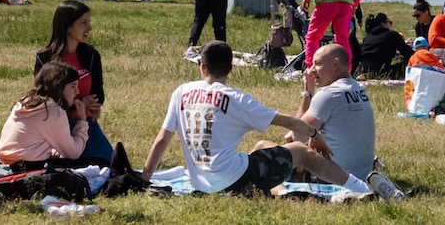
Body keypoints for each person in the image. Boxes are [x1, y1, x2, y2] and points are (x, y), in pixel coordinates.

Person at [141, 41, 384, 198]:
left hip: (202, 182)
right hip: (232, 179)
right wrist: (314, 134)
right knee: (289, 152)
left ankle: (282, 192)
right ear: (231, 68)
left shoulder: (181, 92)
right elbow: (293, 127)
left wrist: (145, 179)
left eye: (317, 64)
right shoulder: (237, 99)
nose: (312, 69)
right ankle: (362, 189)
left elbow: (162, 138)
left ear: (202, 67)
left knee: (266, 152)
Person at [33, 0, 113, 163]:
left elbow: (98, 95)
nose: (89, 28)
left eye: (89, 22)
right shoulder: (45, 58)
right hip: (54, 126)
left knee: (110, 164)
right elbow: (43, 100)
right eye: (83, 23)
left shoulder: (91, 55)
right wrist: (80, 103)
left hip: (84, 123)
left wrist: (90, 106)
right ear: (67, 26)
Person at [285, 44, 375, 180]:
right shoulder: (359, 88)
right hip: (362, 176)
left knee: (264, 148)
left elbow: (295, 136)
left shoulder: (330, 94)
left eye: (317, 64)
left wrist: (307, 93)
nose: (311, 70)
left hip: (332, 179)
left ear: (335, 64)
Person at [0, 62, 89, 164]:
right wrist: (82, 122)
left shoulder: (25, 102)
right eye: (73, 86)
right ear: (59, 86)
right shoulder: (53, 112)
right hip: (27, 167)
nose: (77, 91)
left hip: (4, 162)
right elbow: (73, 153)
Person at [358, 13, 414, 78]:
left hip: (363, 70)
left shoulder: (367, 37)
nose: (391, 25)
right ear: (383, 24)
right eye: (390, 22)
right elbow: (408, 52)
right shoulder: (391, 35)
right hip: (382, 72)